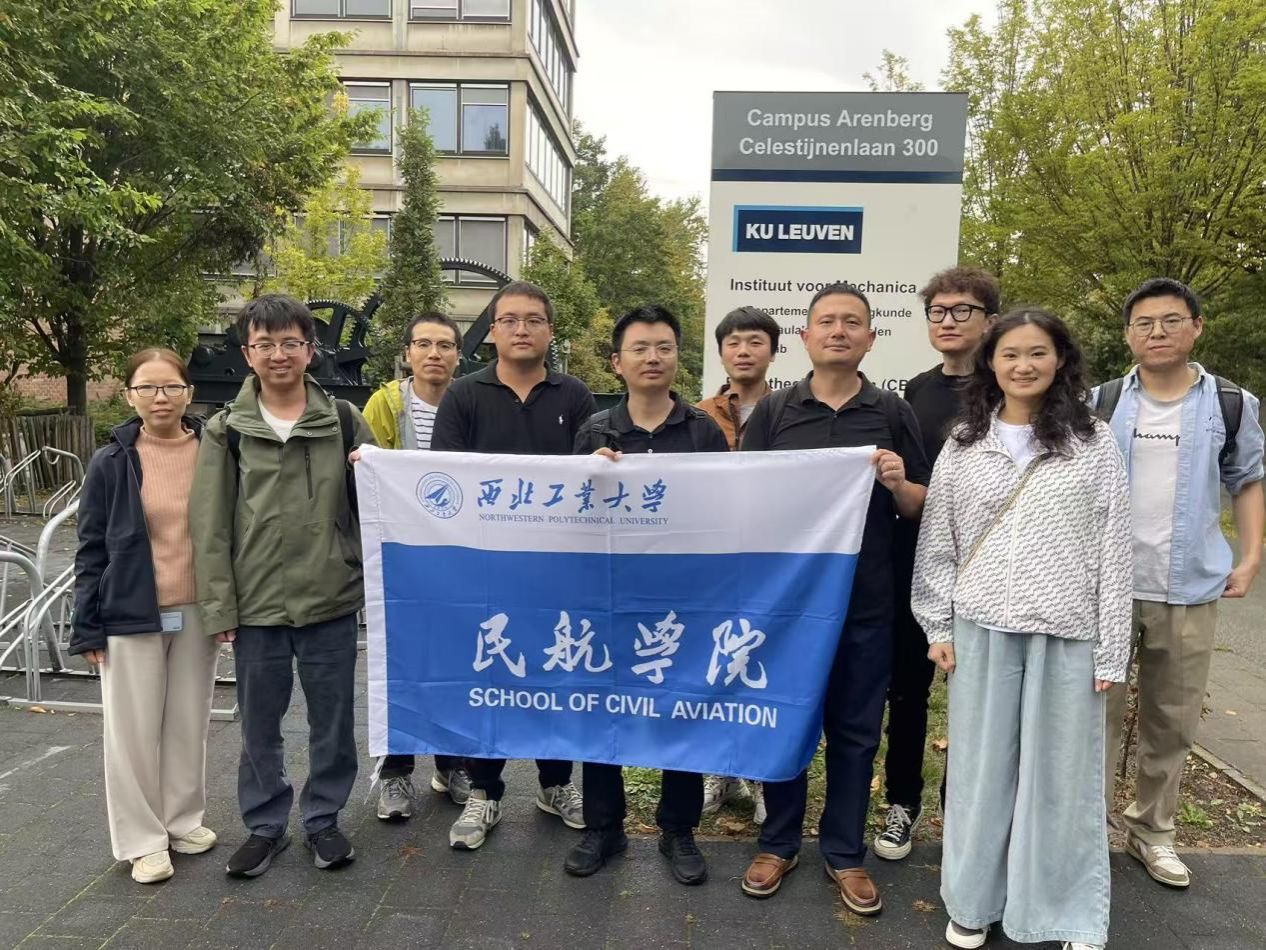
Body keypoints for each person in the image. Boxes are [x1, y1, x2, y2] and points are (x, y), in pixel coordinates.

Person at [913, 309, 1132, 950]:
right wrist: (936, 622)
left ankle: (1063, 910)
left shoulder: (1093, 441)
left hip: (1069, 631)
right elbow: (939, 541)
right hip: (980, 628)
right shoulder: (965, 442)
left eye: (1038, 353)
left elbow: (1115, 547)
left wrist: (1112, 648)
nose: (1024, 365)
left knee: (1062, 778)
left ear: (1060, 360)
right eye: (1010, 354)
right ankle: (972, 902)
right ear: (991, 363)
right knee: (981, 774)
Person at [739, 282, 930, 915]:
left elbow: (920, 506)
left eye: (852, 322)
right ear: (806, 337)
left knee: (855, 730)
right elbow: (743, 497)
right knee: (786, 720)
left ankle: (845, 852)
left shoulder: (892, 412)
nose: (838, 331)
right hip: (789, 605)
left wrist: (899, 483)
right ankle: (778, 842)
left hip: (866, 603)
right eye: (826, 322)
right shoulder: (775, 411)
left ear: (871, 338)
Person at [191, 294, 375, 878]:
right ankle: (265, 825)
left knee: (333, 722)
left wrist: (366, 576)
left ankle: (324, 819)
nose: (278, 354)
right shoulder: (226, 429)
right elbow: (210, 525)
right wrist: (219, 606)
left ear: (310, 350)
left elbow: (376, 508)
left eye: (290, 342)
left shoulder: (343, 420)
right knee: (259, 725)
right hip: (257, 604)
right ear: (247, 353)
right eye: (265, 344)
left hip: (330, 597)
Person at [1098, 278, 1264, 889]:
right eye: (1144, 323)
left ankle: (1153, 832)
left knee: (1172, 718)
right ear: (1128, 334)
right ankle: (1089, 832)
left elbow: (1248, 480)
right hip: (1105, 587)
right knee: (1095, 716)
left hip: (1190, 585)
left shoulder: (1231, 403)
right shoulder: (1101, 402)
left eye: (1171, 320)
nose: (1157, 332)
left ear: (1196, 327)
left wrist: (1250, 558)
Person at [431, 280, 596, 850]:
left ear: (550, 331)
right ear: (492, 332)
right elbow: (444, 480)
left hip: (558, 568)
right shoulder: (463, 396)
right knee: (490, 676)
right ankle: (484, 790)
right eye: (509, 320)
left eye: (533, 320)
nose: (521, 329)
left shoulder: (575, 396)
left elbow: (587, 480)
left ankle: (556, 784)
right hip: (486, 568)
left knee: (557, 672)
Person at [567, 304, 728, 884]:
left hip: (682, 598)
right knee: (603, 707)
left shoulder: (703, 431)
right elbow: (569, 517)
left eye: (663, 347)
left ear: (677, 357)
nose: (652, 358)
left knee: (680, 706)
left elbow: (726, 514)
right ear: (618, 362)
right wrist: (588, 474)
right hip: (610, 596)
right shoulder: (595, 431)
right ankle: (602, 827)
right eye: (639, 348)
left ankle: (678, 829)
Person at [69, 349, 220, 884]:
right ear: (130, 395)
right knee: (132, 733)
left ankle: (181, 821)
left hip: (197, 611)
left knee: (188, 723)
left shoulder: (213, 451)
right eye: (148, 388)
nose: (161, 398)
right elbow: (91, 547)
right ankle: (142, 840)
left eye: (171, 387)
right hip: (130, 613)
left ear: (188, 393)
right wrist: (87, 624)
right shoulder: (111, 461)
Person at [876, 267, 999, 861]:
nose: (948, 321)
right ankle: (902, 803)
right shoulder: (915, 391)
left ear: (990, 321)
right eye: (938, 311)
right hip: (915, 563)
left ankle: (964, 812)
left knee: (978, 697)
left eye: (962, 310)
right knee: (907, 692)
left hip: (989, 571)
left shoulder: (1008, 389)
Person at [361, 311, 472, 820]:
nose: (434, 354)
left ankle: (452, 765)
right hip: (401, 556)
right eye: (423, 344)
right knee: (400, 665)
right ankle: (396, 772)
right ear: (407, 353)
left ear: (458, 356)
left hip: (458, 556)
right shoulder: (385, 405)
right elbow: (368, 467)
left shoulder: (470, 401)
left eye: (445, 345)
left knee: (456, 663)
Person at [695, 305, 780, 823]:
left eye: (755, 342)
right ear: (721, 352)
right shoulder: (698, 415)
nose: (744, 351)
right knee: (714, 663)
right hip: (713, 563)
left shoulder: (793, 411)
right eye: (734, 343)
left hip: (774, 563)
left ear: (773, 351)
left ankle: (763, 775)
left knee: (764, 668)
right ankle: (718, 771)